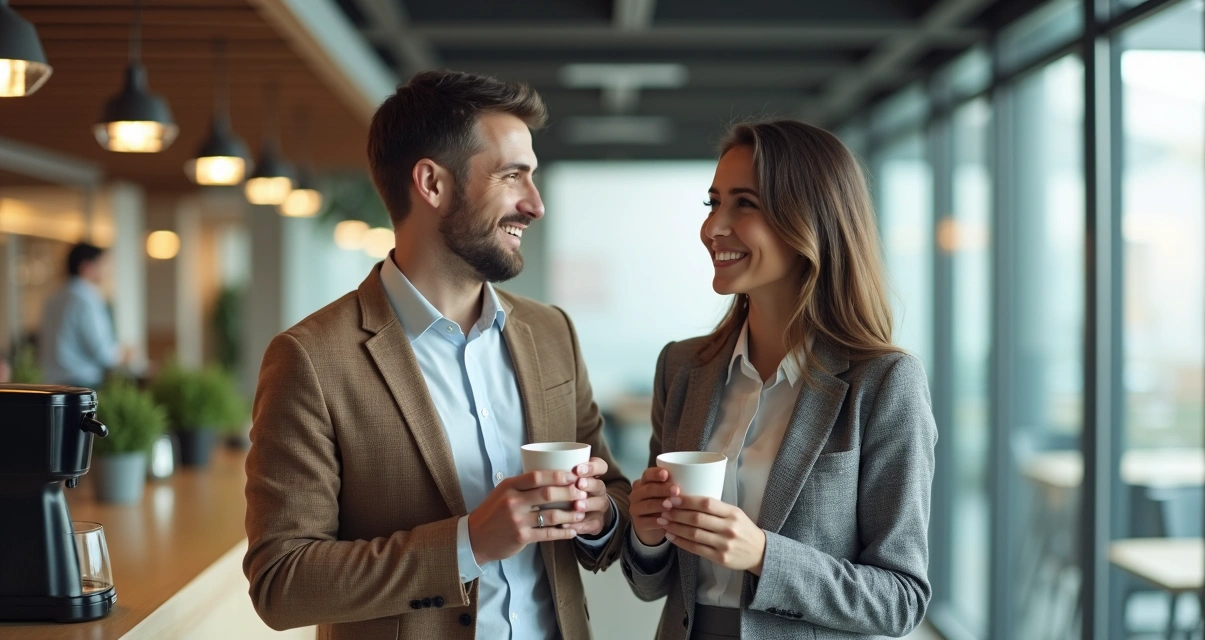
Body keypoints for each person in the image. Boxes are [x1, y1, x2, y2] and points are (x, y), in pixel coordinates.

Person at [243, 70, 631, 640]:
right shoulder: (311, 360)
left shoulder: (551, 333)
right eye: (512, 176)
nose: (535, 204)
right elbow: (281, 582)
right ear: (432, 183)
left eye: (535, 177)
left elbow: (612, 489)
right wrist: (467, 543)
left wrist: (601, 517)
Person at [621, 120, 936, 639]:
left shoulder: (883, 382)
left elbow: (900, 600)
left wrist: (764, 556)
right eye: (713, 202)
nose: (713, 227)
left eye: (744, 203)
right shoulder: (681, 369)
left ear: (810, 220)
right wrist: (649, 535)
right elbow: (651, 585)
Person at [39, 243, 121, 388]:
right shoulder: (87, 299)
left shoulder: (53, 298)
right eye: (102, 265)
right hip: (82, 382)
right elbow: (101, 351)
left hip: (53, 382)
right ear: (86, 267)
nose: (106, 271)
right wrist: (122, 355)